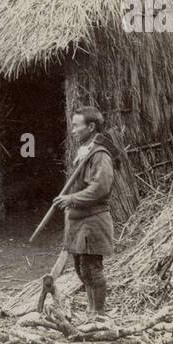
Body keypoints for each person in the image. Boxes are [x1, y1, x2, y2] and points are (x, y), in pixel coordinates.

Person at [54, 107, 117, 315]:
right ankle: (91, 311)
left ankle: (98, 314)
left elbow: (100, 188)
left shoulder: (100, 154)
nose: (72, 130)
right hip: (80, 220)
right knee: (82, 270)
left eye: (76, 125)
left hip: (93, 221)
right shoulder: (86, 151)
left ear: (91, 127)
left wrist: (72, 198)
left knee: (92, 269)